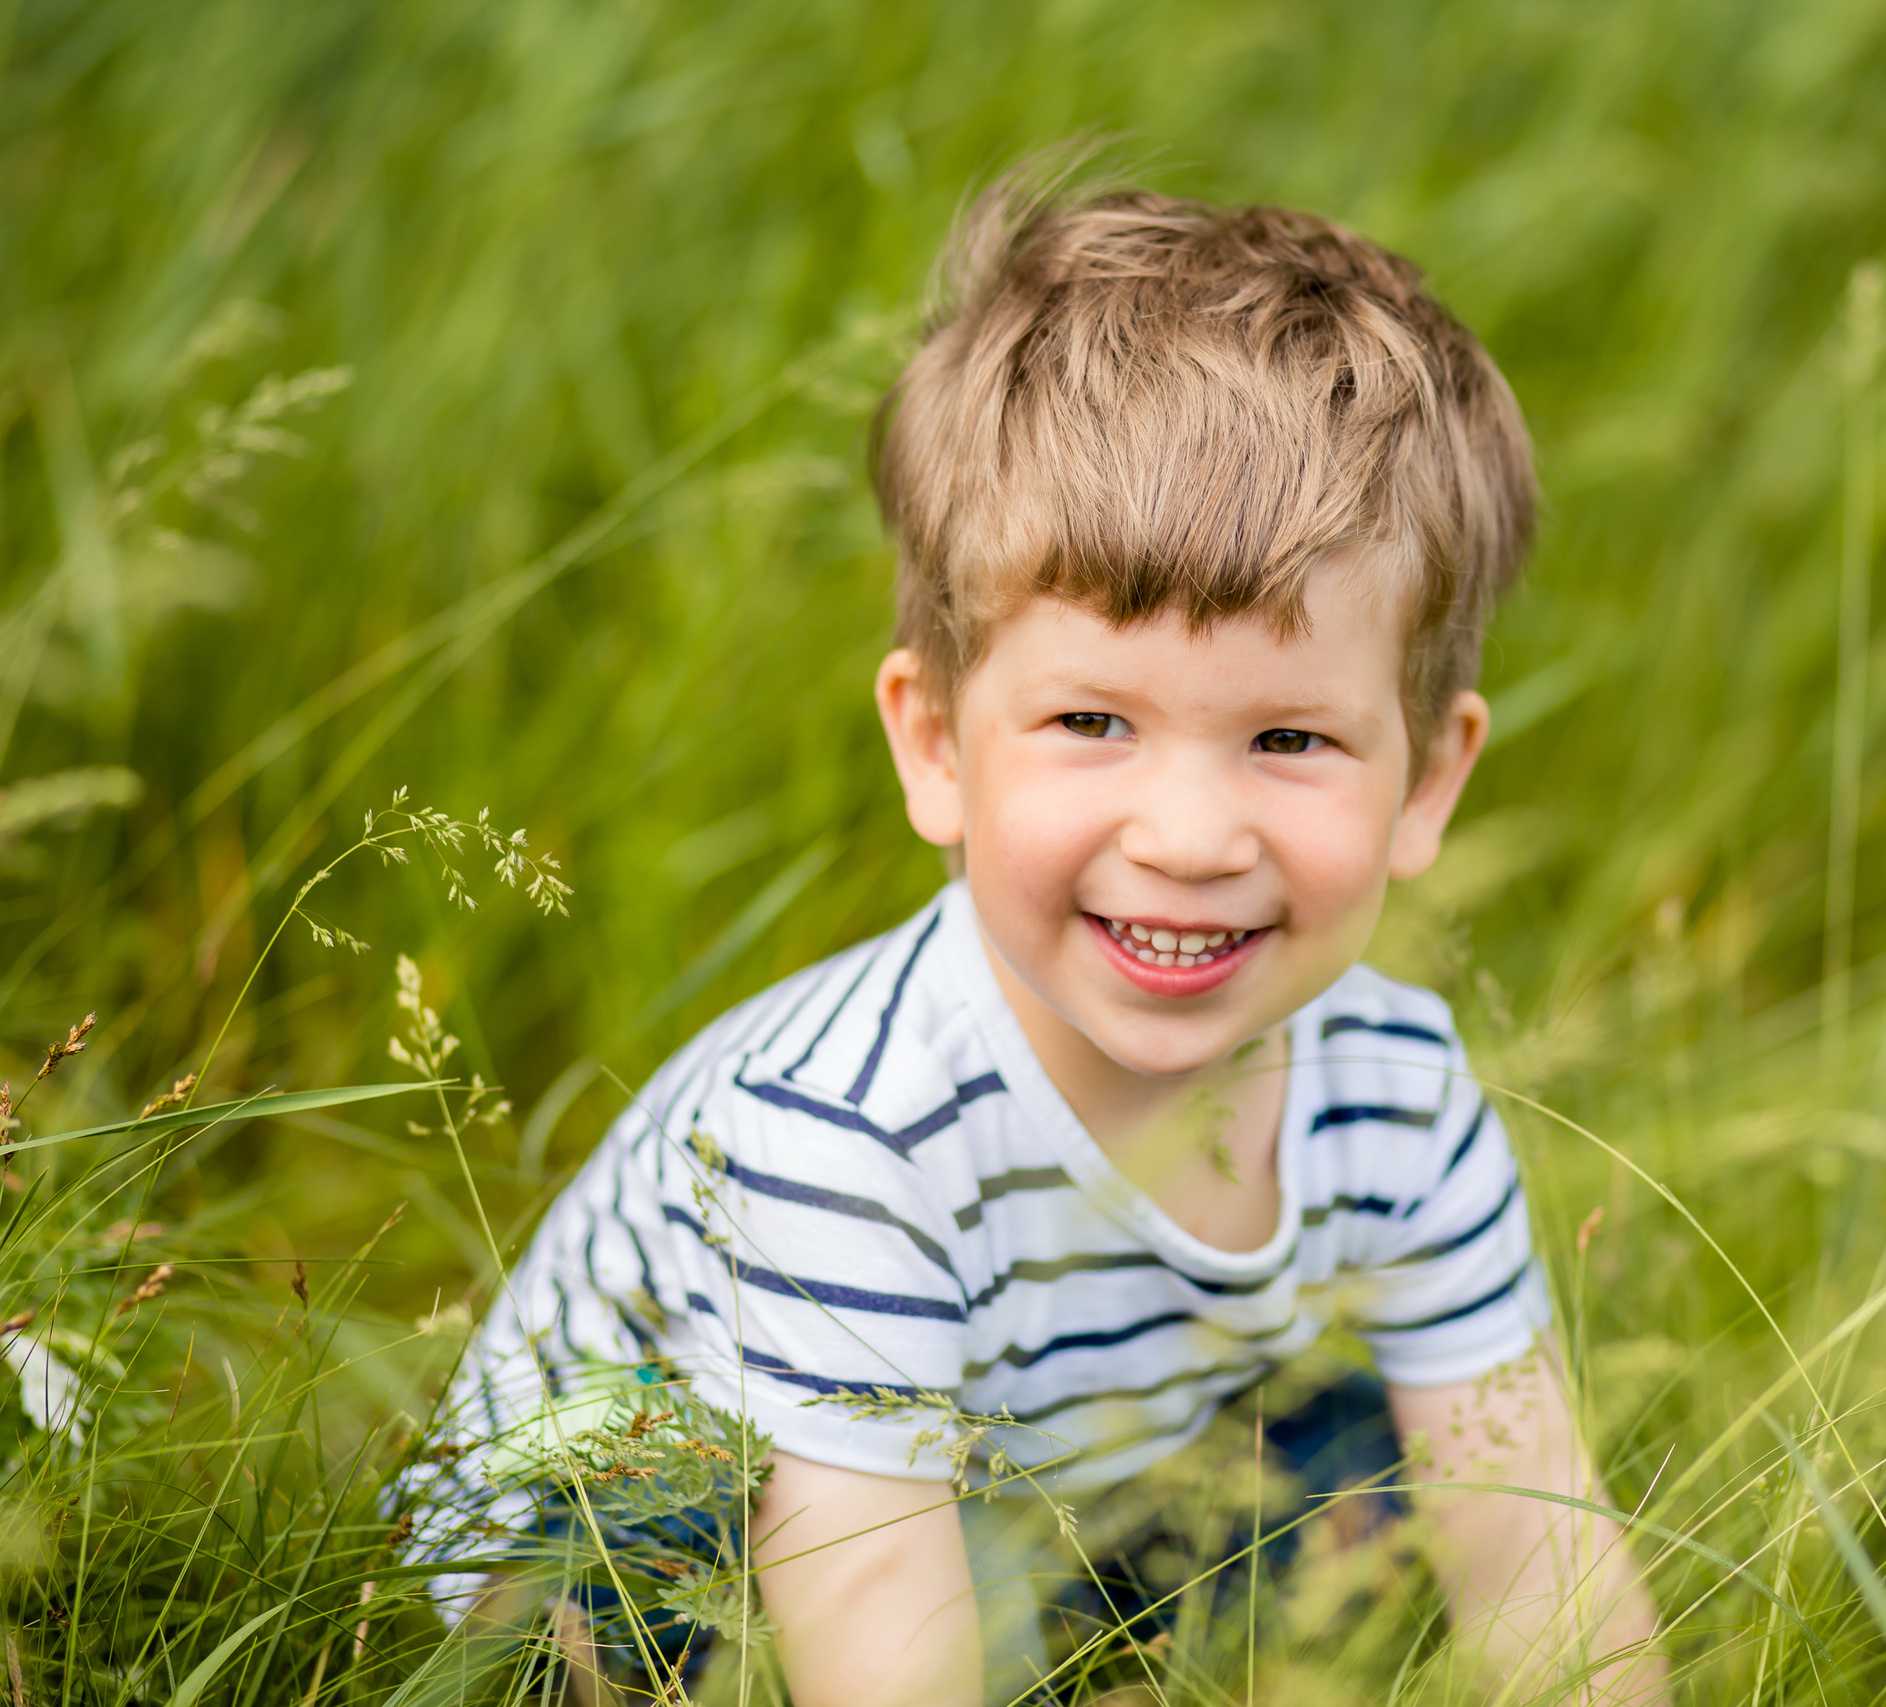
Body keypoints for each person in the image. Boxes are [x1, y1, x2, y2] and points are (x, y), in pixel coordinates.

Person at [425, 168, 1665, 1706]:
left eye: (1289, 739)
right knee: (661, 1545)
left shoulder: (1400, 1094)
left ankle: (1080, 1647)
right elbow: (866, 1586)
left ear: (1427, 783)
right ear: (938, 743)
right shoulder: (849, 1129)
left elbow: (1533, 1533)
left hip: (1020, 1506)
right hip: (668, 1551)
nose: (1191, 837)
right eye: (1092, 723)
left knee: (1383, 1467)